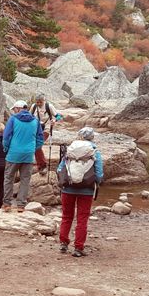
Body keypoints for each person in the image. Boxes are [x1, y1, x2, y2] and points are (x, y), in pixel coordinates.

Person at [58, 127, 104, 257]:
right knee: (82, 218)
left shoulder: (70, 149)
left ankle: (63, 243)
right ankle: (78, 248)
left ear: (79, 136)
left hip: (68, 188)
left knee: (66, 216)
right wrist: (97, 182)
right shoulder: (95, 152)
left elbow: (60, 169)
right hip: (87, 190)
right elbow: (99, 173)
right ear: (92, 137)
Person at [2, 100, 44, 212]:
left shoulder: (13, 119)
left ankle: (7, 204)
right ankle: (21, 205)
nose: (13, 111)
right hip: (28, 155)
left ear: (18, 109)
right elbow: (40, 139)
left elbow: (6, 137)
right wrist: (33, 149)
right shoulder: (35, 121)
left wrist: (6, 149)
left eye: (14, 109)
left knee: (8, 178)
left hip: (13, 154)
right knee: (25, 180)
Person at [29, 94, 62, 171]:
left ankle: (42, 165)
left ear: (44, 101)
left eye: (40, 102)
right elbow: (29, 116)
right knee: (34, 145)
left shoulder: (49, 106)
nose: (39, 104)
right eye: (37, 102)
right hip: (35, 128)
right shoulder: (34, 106)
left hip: (46, 129)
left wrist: (54, 120)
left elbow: (58, 116)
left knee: (37, 145)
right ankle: (39, 163)